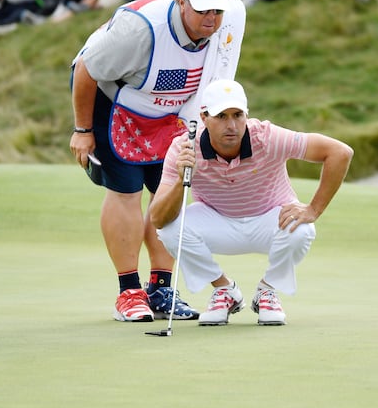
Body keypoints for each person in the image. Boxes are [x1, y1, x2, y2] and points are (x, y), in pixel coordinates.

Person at [68, 0, 246, 323]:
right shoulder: (140, 30)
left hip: (169, 113)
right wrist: (83, 129)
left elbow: (217, 77)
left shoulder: (230, 20)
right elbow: (86, 69)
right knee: (127, 190)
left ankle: (162, 289)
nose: (211, 18)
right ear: (181, 1)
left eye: (217, 10)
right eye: (202, 10)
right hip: (114, 105)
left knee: (171, 191)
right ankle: (129, 291)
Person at [148, 79, 354, 326]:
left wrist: (313, 209)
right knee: (170, 229)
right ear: (204, 118)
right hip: (217, 221)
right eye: (221, 116)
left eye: (237, 115)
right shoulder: (184, 147)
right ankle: (224, 290)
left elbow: (340, 152)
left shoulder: (267, 137)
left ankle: (268, 289)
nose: (231, 125)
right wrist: (181, 180)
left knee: (302, 229)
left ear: (247, 115)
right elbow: (158, 218)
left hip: (270, 219)